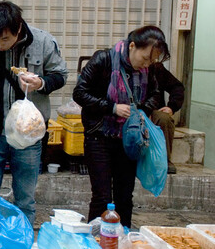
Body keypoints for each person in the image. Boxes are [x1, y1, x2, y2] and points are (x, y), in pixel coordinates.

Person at [0, 0, 68, 231]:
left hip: (29, 136)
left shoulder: (43, 41)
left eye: (5, 39)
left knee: (25, 199)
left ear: (18, 29)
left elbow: (60, 75)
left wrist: (40, 82)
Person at [72, 25, 169, 228]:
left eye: (152, 60)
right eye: (145, 58)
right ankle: (97, 245)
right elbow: (80, 92)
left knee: (125, 197)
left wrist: (140, 110)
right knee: (102, 197)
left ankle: (123, 244)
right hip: (99, 135)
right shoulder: (104, 60)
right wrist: (112, 108)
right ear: (132, 46)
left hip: (129, 140)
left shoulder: (148, 69)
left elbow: (156, 95)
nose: (147, 64)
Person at [150, 61, 184, 174]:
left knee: (164, 119)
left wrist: (171, 107)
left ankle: (164, 159)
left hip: (153, 110)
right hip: (131, 110)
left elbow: (177, 87)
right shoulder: (124, 67)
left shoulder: (156, 68)